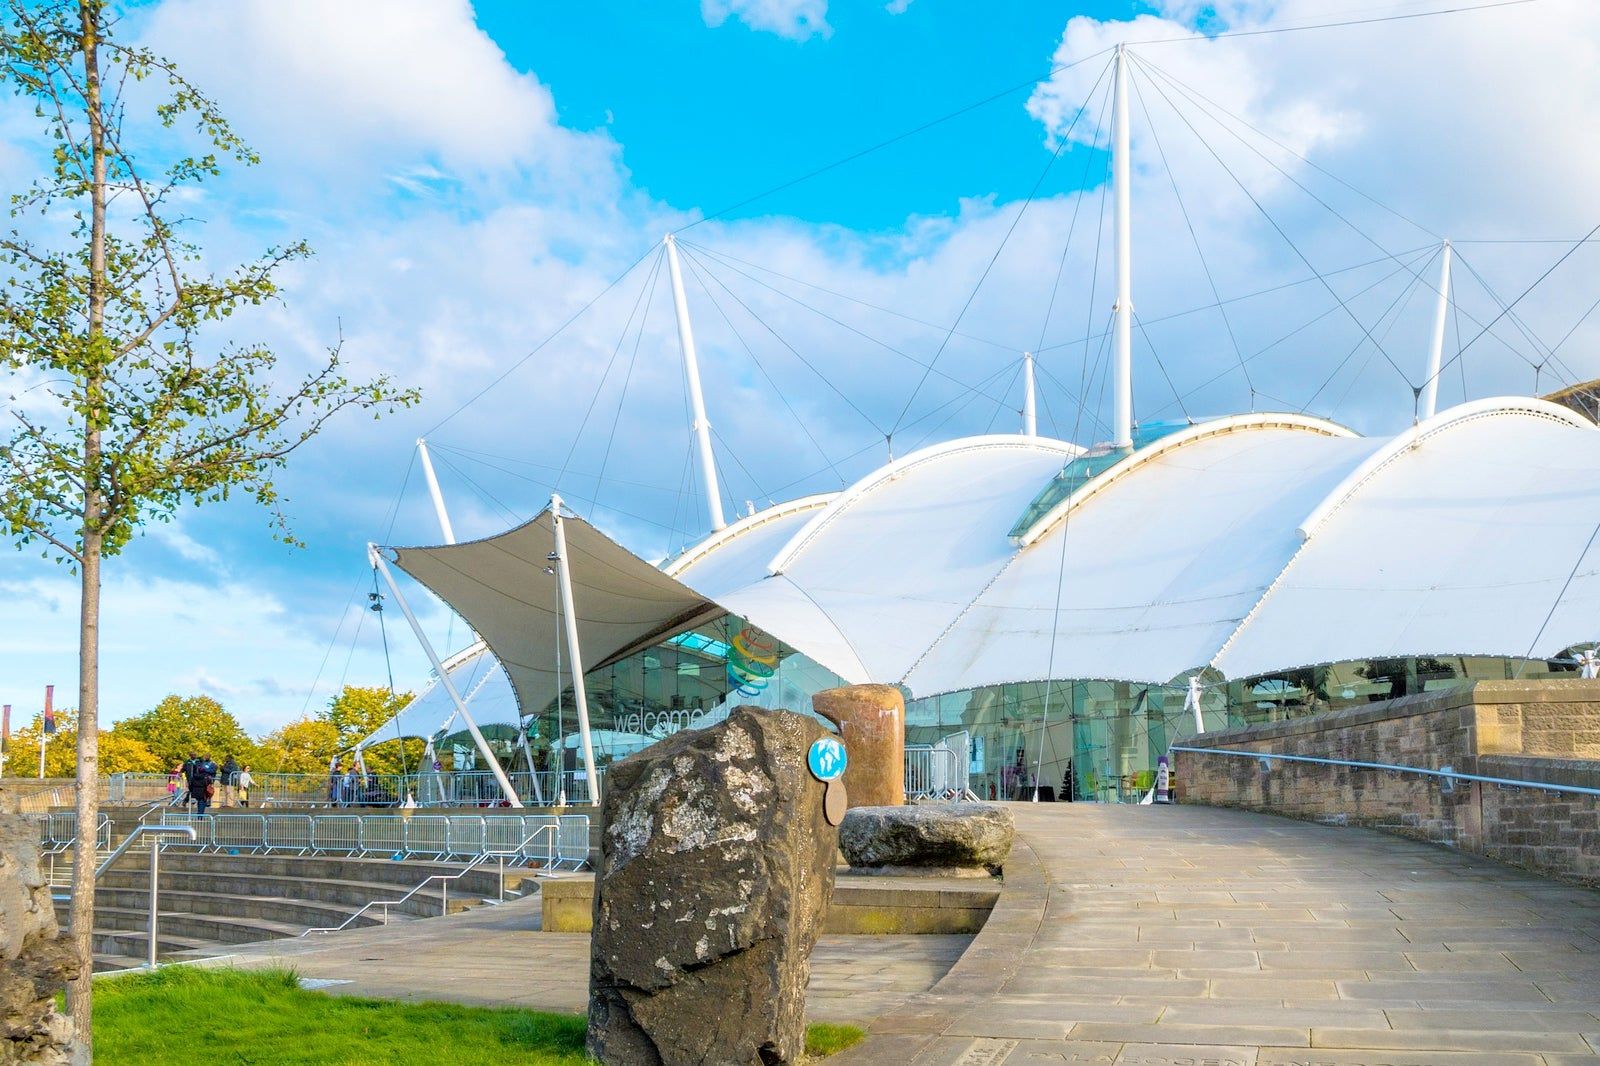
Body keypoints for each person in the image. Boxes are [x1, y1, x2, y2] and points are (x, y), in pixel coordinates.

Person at [184, 751, 218, 816]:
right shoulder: (200, 765)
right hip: (201, 786)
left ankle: (200, 813)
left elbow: (213, 770)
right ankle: (200, 815)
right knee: (201, 801)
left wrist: (205, 770)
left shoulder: (211, 764)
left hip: (202, 785)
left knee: (201, 800)